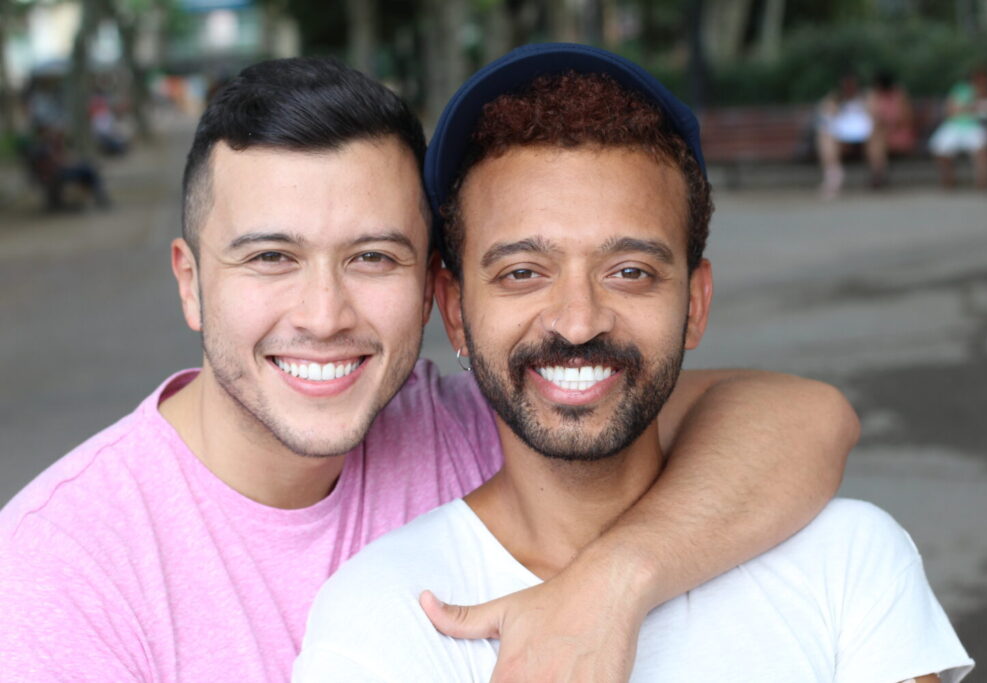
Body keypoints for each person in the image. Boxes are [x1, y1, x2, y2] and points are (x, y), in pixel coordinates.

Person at [0, 57, 859, 682]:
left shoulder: (474, 426)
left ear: (430, 293)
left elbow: (803, 419)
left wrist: (611, 584)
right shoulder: (61, 564)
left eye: (373, 257)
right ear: (191, 282)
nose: (324, 313)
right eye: (270, 257)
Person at [295, 44, 973, 681]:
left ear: (696, 303)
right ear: (454, 311)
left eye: (629, 271)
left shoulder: (848, 558)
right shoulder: (380, 611)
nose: (578, 319)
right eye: (524, 271)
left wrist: (616, 582)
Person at [929, 68, 987, 189]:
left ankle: (983, 184)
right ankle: (948, 182)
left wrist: (969, 108)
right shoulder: (960, 89)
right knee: (939, 149)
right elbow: (951, 110)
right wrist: (971, 108)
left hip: (976, 126)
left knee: (982, 151)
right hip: (954, 126)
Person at [815, 72, 874, 198]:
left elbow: (875, 117)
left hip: (866, 138)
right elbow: (825, 118)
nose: (849, 88)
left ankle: (878, 175)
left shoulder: (866, 98)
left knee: (877, 134)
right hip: (841, 139)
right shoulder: (834, 100)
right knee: (825, 134)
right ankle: (834, 175)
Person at [866, 70, 917, 187]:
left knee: (876, 140)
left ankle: (878, 174)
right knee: (876, 139)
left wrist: (888, 124)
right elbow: (871, 117)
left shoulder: (899, 95)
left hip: (899, 135)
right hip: (880, 136)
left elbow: (906, 119)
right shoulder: (874, 96)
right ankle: (879, 174)